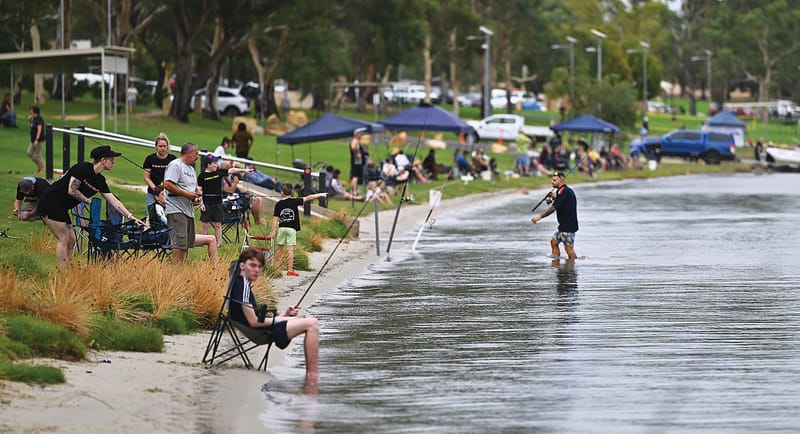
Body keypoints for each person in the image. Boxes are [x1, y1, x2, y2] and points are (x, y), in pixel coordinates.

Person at [35, 145, 143, 269]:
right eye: (111, 159)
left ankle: (68, 268)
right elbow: (72, 190)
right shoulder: (83, 168)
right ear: (103, 160)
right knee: (64, 238)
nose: (113, 162)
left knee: (72, 240)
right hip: (51, 201)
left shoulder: (100, 180)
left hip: (62, 207)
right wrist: (90, 202)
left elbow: (113, 200)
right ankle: (63, 272)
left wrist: (131, 217)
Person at [229, 248, 320, 378]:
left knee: (302, 321)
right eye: (253, 265)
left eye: (259, 267)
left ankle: (312, 373)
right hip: (260, 332)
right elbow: (254, 322)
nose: (257, 270)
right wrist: (281, 320)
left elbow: (255, 319)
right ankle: (313, 374)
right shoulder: (242, 286)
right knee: (312, 324)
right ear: (242, 265)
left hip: (260, 328)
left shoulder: (242, 283)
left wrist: (284, 316)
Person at [269, 184, 327, 276]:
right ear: (291, 192)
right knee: (290, 250)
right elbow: (308, 198)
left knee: (279, 249)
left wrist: (273, 232)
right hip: (291, 229)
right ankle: (290, 270)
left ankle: (276, 268)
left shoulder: (278, 204)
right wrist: (320, 194)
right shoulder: (294, 201)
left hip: (282, 228)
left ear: (282, 193)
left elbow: (275, 219)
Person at [147, 185, 217, 260]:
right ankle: (215, 268)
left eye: (166, 194)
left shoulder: (165, 207)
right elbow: (167, 223)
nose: (166, 197)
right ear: (156, 197)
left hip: (172, 235)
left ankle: (183, 265)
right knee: (211, 239)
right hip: (171, 237)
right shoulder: (158, 208)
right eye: (163, 194)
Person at [198, 155, 252, 246]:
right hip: (207, 204)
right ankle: (202, 242)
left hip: (218, 203)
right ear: (208, 165)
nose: (216, 165)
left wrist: (244, 171)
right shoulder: (201, 176)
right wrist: (201, 203)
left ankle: (219, 244)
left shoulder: (219, 172)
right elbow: (199, 190)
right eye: (214, 163)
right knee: (205, 224)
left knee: (218, 225)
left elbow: (231, 170)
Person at [164, 142, 202, 264]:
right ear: (189, 153)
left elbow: (192, 190)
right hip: (176, 210)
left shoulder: (191, 169)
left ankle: (182, 269)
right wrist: (186, 195)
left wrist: (196, 198)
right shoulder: (175, 165)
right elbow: (168, 184)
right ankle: (176, 270)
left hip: (188, 211)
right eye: (196, 153)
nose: (197, 156)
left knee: (185, 244)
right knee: (179, 243)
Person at [531, 171, 579, 260]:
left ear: (561, 180)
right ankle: (556, 264)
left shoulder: (564, 192)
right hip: (563, 227)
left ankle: (571, 270)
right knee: (554, 242)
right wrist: (554, 197)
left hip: (568, 227)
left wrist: (539, 217)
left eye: (554, 180)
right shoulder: (561, 191)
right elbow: (561, 202)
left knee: (569, 250)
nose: (552, 182)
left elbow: (553, 208)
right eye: (552, 180)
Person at [143, 132, 177, 207]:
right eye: (160, 146)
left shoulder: (173, 159)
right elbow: (146, 177)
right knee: (151, 214)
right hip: (153, 193)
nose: (162, 148)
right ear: (156, 147)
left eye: (164, 146)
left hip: (169, 193)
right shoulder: (150, 159)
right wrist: (156, 189)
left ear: (167, 147)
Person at [349, 128, 367, 195]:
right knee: (355, 176)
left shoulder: (356, 141)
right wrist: (357, 154)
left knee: (356, 176)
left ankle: (355, 189)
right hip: (356, 162)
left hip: (358, 162)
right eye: (360, 134)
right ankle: (354, 191)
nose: (361, 136)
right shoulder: (355, 141)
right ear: (356, 134)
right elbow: (353, 147)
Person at [28, 106, 44, 174]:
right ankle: (40, 167)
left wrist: (37, 140)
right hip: (33, 140)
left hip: (38, 140)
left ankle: (41, 168)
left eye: (31, 111)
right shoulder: (33, 119)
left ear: (35, 112)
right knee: (29, 153)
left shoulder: (39, 119)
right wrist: (30, 120)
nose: (30, 112)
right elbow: (31, 126)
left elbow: (39, 130)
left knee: (37, 155)